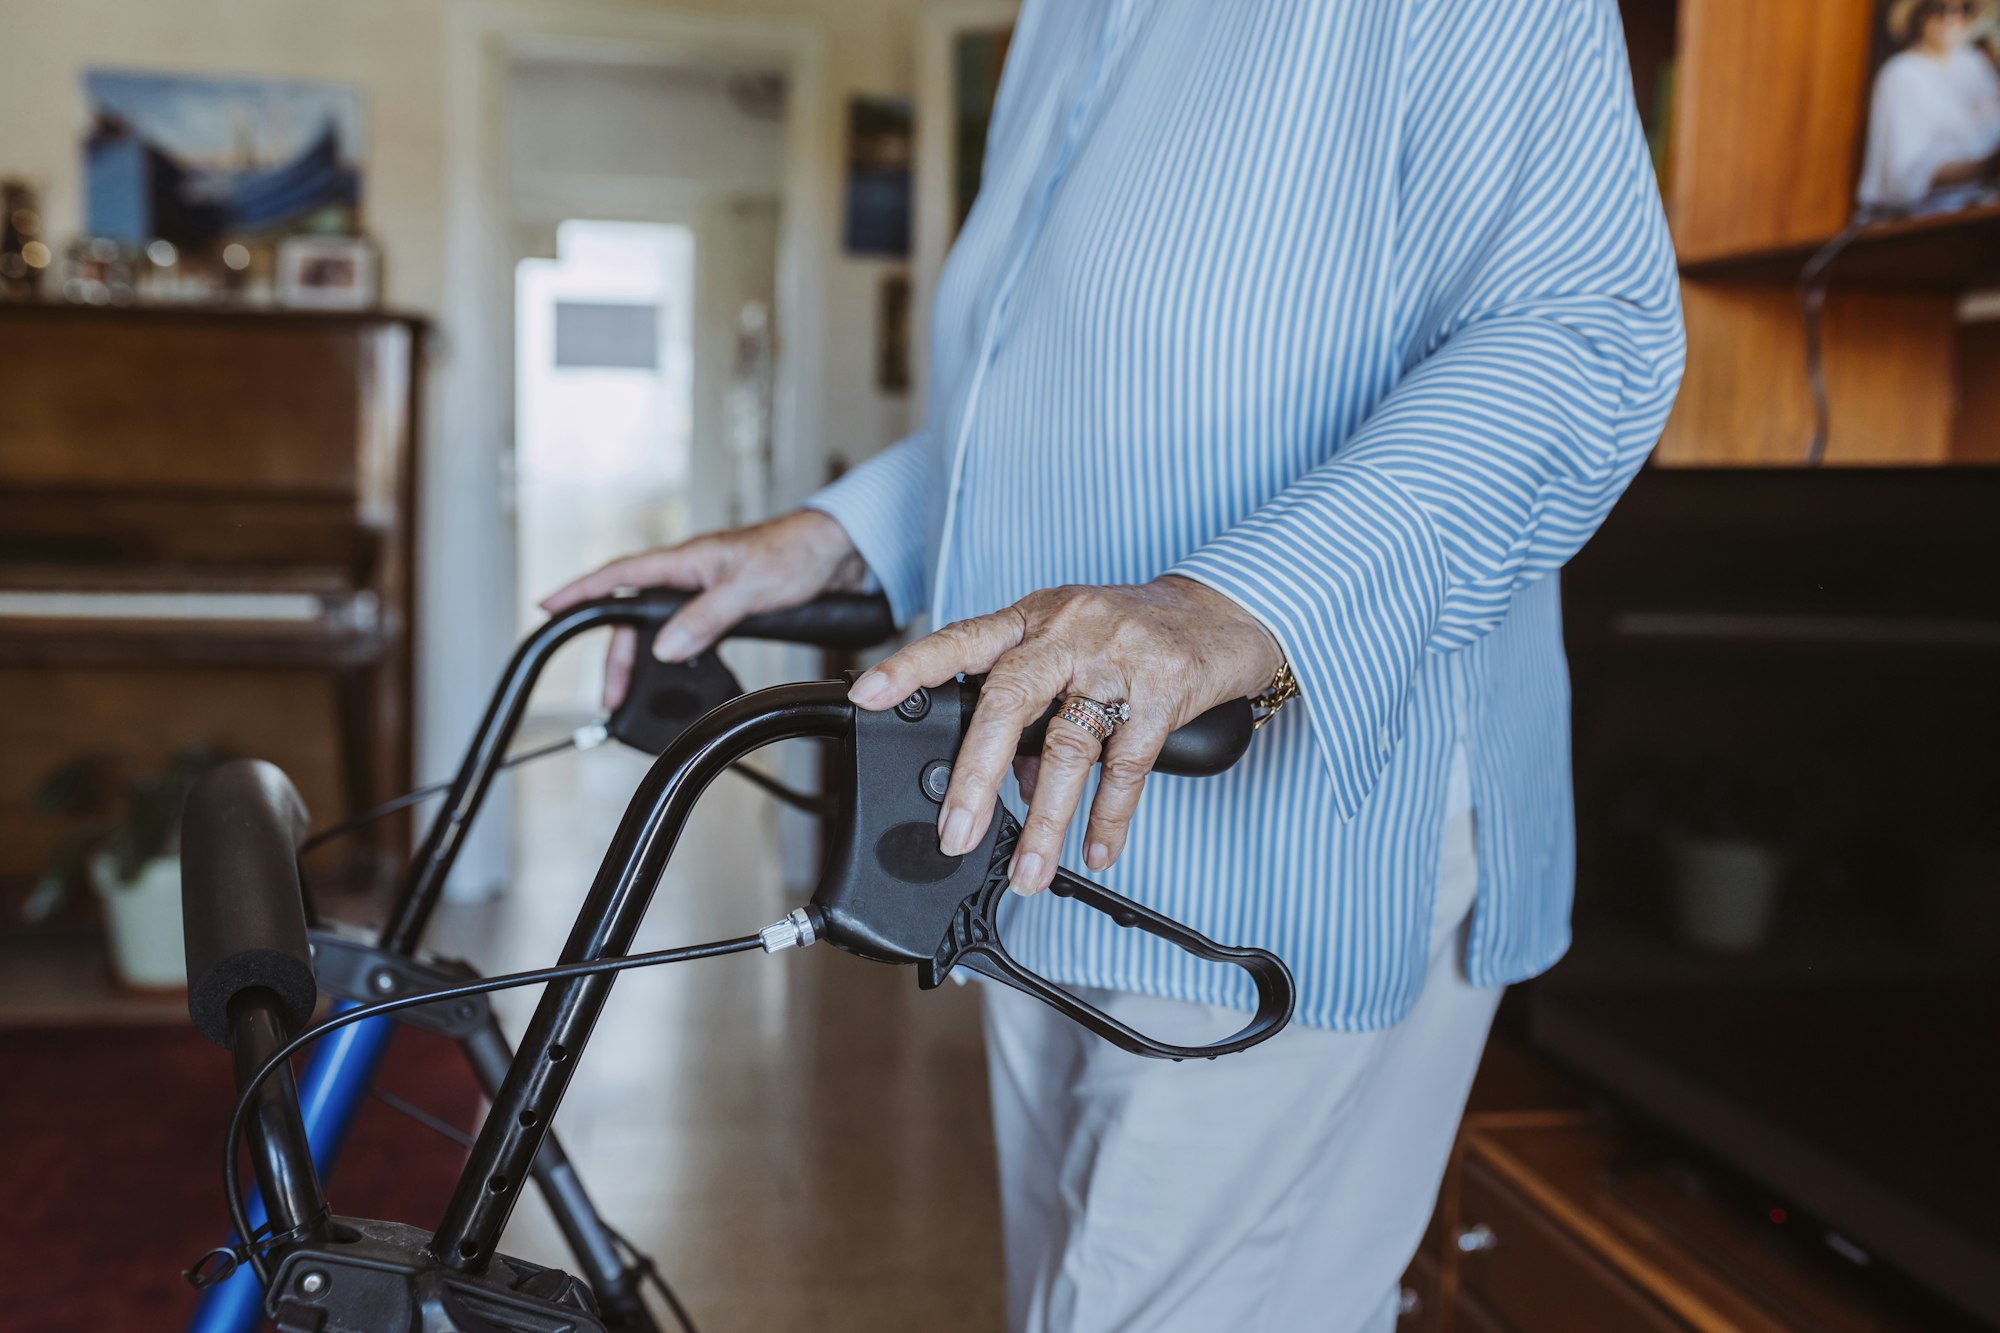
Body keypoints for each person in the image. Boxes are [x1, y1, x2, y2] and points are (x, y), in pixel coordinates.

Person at [545, 1, 1684, 1328]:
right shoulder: (1064, 22)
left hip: (1296, 826)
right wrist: (830, 540)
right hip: (1054, 815)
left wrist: (1240, 604)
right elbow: (1045, 411)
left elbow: (1585, 336)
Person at [1858, 0, 2000, 211]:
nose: (1951, 18)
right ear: (1920, 15)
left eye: (1964, 10)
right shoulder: (1901, 73)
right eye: (1939, 9)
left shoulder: (1975, 65)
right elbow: (1903, 178)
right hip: (1928, 218)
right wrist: (1985, 167)